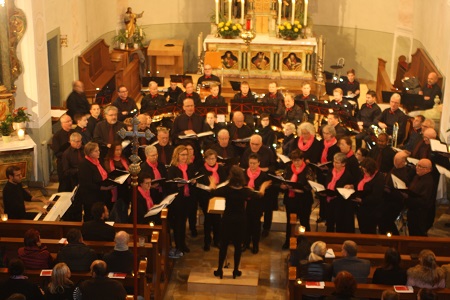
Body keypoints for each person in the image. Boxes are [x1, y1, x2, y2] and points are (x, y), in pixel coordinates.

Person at [212, 165, 271, 279]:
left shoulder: (226, 189)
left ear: (231, 177)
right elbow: (259, 195)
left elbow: (213, 192)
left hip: (227, 219)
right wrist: (263, 187)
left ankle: (219, 269)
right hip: (240, 220)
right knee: (238, 246)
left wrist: (212, 183)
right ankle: (235, 271)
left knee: (223, 245)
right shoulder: (245, 191)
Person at [280, 149, 314, 249]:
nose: (296, 163)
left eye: (298, 160)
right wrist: (283, 186)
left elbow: (310, 186)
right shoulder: (288, 168)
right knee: (290, 222)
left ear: (302, 159)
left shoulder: (308, 170)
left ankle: (305, 243)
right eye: (294, 160)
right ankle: (288, 241)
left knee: (304, 222)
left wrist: (298, 189)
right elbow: (285, 179)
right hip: (291, 200)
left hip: (304, 200)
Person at [167, 145, 197, 256]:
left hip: (188, 198)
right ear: (177, 155)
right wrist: (178, 185)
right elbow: (170, 186)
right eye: (182, 155)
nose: (185, 157)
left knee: (184, 222)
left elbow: (193, 179)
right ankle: (179, 245)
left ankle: (183, 244)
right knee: (178, 224)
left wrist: (193, 182)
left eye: (186, 154)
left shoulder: (191, 166)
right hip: (178, 199)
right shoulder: (173, 168)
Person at [73, 142, 115, 222]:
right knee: (92, 218)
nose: (99, 152)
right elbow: (86, 184)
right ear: (89, 152)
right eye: (96, 151)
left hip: (102, 195)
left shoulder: (98, 161)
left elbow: (104, 174)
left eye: (98, 150)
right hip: (91, 197)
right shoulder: (84, 164)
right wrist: (103, 188)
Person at [195, 149, 227, 251]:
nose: (211, 161)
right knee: (208, 221)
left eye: (213, 158)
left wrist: (217, 187)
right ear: (205, 159)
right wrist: (210, 187)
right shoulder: (201, 170)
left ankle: (217, 240)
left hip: (218, 197)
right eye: (209, 159)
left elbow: (225, 182)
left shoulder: (221, 169)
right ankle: (207, 241)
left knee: (217, 220)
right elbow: (198, 185)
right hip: (206, 198)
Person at [379, 151, 414, 235]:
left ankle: (394, 238)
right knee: (383, 219)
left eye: (397, 160)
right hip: (388, 198)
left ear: (403, 162)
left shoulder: (407, 172)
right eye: (395, 160)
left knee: (387, 220)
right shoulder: (395, 168)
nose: (395, 162)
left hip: (396, 202)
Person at [242, 153, 272, 253]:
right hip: (246, 203)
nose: (252, 165)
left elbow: (267, 188)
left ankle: (255, 245)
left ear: (259, 163)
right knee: (245, 224)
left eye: (254, 163)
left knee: (256, 225)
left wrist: (260, 189)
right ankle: (246, 243)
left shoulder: (263, 176)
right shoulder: (244, 173)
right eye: (250, 163)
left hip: (257, 204)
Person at [402, 158, 436, 236]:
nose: (417, 167)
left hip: (420, 214)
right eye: (417, 165)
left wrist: (408, 197)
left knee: (418, 234)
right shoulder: (418, 177)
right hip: (413, 211)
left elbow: (423, 200)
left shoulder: (428, 182)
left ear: (428, 169)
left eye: (420, 166)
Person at [321, 153, 354, 233]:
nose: (334, 164)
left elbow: (347, 191)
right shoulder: (330, 171)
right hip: (329, 201)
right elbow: (327, 183)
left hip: (340, 204)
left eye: (337, 163)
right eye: (334, 162)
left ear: (343, 164)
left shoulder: (347, 175)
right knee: (329, 224)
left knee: (340, 225)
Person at [352, 157, 384, 234]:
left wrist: (362, 200)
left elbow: (377, 196)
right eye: (363, 170)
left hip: (371, 210)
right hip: (361, 208)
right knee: (362, 229)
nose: (364, 172)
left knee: (369, 231)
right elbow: (359, 185)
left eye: (366, 171)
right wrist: (352, 186)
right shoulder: (363, 175)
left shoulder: (378, 178)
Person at [316, 125, 340, 223]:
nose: (324, 135)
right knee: (322, 193)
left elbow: (336, 159)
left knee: (329, 193)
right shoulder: (322, 143)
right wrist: (318, 163)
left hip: (331, 172)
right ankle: (322, 214)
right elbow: (317, 154)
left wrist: (328, 167)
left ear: (332, 134)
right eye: (323, 133)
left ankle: (329, 216)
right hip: (320, 171)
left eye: (326, 133)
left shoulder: (336, 145)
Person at [104, 142, 130, 222]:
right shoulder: (108, 161)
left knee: (124, 207)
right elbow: (108, 173)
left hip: (124, 187)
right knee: (114, 209)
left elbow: (128, 170)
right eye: (117, 150)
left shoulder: (124, 159)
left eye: (120, 150)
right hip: (114, 187)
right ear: (112, 151)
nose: (119, 152)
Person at [52, 114, 75, 192]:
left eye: (71, 120)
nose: (70, 123)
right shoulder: (57, 136)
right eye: (67, 121)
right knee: (64, 186)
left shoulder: (74, 132)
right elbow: (57, 152)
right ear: (62, 124)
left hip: (74, 164)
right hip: (63, 165)